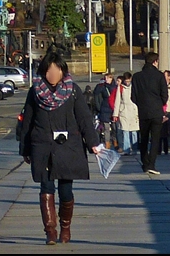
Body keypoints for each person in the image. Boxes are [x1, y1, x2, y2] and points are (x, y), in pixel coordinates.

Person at [19, 52, 102, 244]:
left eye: (57, 70)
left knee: (66, 190)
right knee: (46, 187)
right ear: (44, 71)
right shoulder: (35, 91)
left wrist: (93, 144)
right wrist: (25, 149)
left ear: (63, 71)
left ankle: (65, 226)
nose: (53, 74)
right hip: (42, 146)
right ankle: (50, 231)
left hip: (67, 147)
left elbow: (84, 119)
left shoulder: (72, 91)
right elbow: (27, 122)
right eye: (49, 70)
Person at [131, 51, 169, 175]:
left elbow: (133, 96)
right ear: (155, 61)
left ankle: (145, 162)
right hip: (156, 111)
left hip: (143, 111)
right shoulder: (159, 76)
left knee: (144, 137)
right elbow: (164, 95)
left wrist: (140, 105)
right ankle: (151, 164)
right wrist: (159, 104)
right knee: (155, 138)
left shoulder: (137, 77)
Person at [112, 72, 139, 155]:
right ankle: (126, 149)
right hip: (124, 111)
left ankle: (134, 149)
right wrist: (115, 114)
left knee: (134, 132)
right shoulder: (120, 88)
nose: (127, 83)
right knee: (125, 131)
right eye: (126, 81)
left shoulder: (135, 87)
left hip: (134, 111)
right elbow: (117, 101)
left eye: (128, 81)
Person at [91, 72, 115, 148]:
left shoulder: (115, 87)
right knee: (106, 128)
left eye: (108, 78)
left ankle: (115, 141)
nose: (106, 80)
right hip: (105, 109)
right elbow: (96, 92)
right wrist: (100, 85)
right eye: (105, 78)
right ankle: (107, 143)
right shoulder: (103, 87)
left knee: (115, 128)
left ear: (112, 78)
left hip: (113, 108)